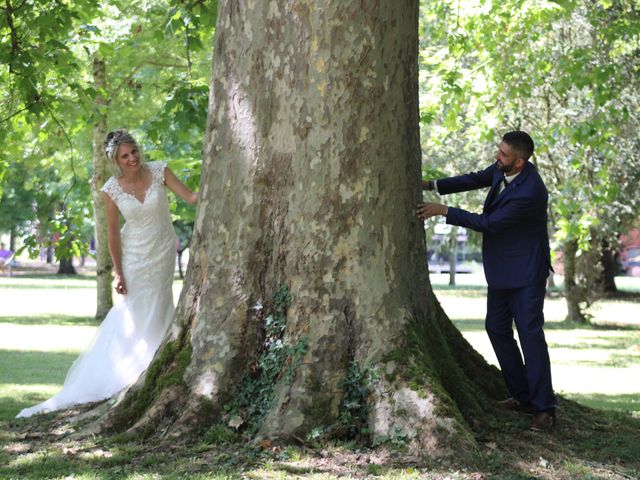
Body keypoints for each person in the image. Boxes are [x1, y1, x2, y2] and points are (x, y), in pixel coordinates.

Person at [17, 129, 197, 418]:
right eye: (124, 156)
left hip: (162, 250)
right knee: (133, 310)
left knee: (160, 304)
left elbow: (191, 197)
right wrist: (118, 272)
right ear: (116, 160)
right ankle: (128, 370)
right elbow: (112, 232)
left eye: (134, 151)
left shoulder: (160, 171)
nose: (132, 158)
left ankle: (152, 365)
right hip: (133, 256)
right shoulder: (112, 189)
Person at [417, 131, 557, 431]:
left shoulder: (530, 191)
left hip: (526, 274)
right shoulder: (502, 169)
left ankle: (544, 408)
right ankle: (522, 396)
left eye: (504, 155)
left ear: (519, 162)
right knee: (495, 327)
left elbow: (489, 223)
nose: (498, 157)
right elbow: (474, 178)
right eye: (499, 150)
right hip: (502, 270)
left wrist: (444, 211)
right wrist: (432, 185)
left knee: (531, 337)